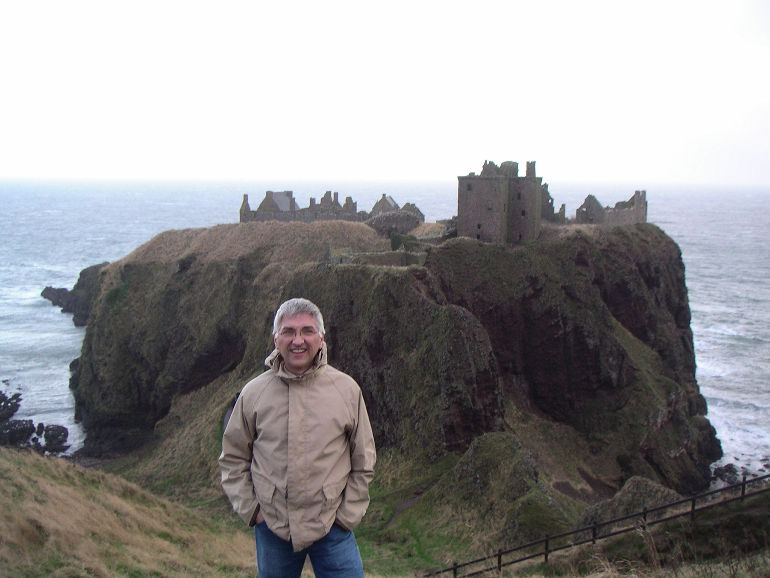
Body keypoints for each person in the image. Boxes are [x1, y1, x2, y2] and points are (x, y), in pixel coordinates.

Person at [219, 297, 376, 577]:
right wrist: (254, 512)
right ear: (276, 339)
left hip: (332, 527)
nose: (298, 340)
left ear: (321, 337)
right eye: (289, 331)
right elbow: (233, 458)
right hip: (274, 528)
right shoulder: (254, 393)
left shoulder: (347, 390)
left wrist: (347, 516)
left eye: (307, 331)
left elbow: (364, 457)